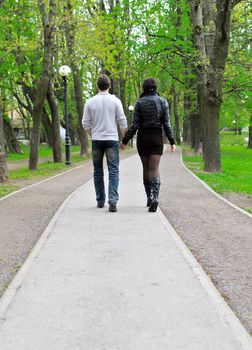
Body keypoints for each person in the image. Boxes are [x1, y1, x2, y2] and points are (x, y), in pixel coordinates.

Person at [121, 77, 176, 212]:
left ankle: (149, 198)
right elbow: (166, 124)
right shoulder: (163, 102)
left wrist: (125, 140)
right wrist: (172, 141)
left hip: (143, 138)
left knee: (146, 169)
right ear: (156, 87)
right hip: (157, 138)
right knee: (154, 168)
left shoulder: (139, 103)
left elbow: (135, 125)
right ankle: (156, 196)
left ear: (143, 88)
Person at [82, 74, 127, 212]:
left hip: (97, 140)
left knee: (98, 171)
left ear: (97, 86)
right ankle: (112, 201)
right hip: (112, 140)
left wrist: (92, 134)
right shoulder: (115, 101)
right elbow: (122, 121)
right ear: (109, 85)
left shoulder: (90, 102)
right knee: (113, 170)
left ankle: (100, 200)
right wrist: (124, 140)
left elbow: (85, 123)